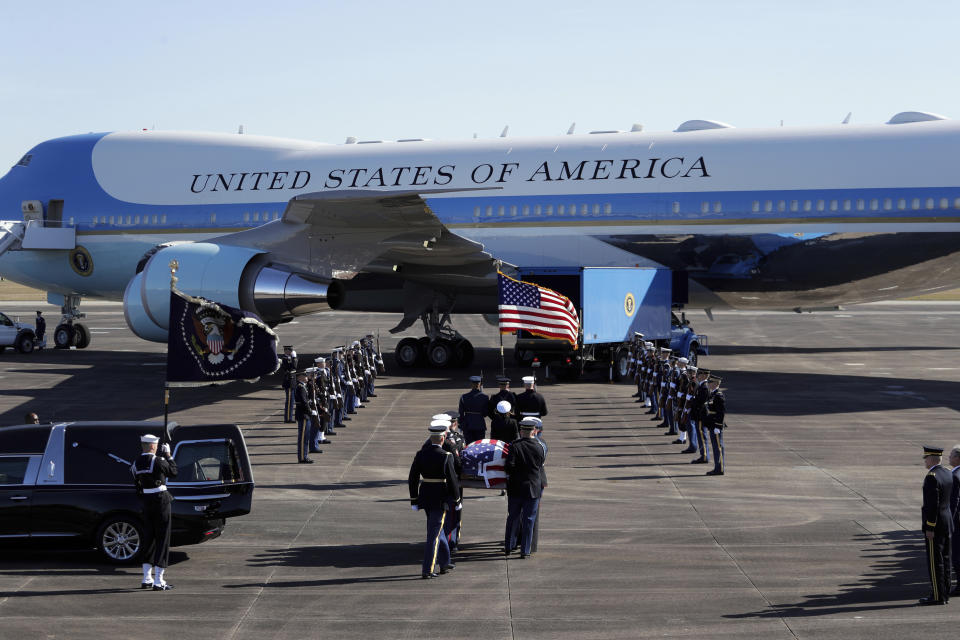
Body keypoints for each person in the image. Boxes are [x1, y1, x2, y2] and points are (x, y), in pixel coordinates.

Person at [408, 423, 461, 578]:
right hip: (440, 498)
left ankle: (444, 562)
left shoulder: (420, 454)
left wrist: (414, 499)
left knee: (437, 530)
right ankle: (428, 569)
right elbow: (452, 480)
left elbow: (413, 478)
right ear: (443, 438)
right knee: (434, 534)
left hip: (425, 496)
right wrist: (457, 500)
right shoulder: (446, 456)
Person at [130, 434, 178, 591]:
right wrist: (169, 456)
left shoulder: (135, 463)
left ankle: (146, 578)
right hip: (161, 501)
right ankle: (159, 580)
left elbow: (136, 485)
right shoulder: (159, 461)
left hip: (146, 502)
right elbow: (173, 472)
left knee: (148, 538)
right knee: (163, 538)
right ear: (152, 446)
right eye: (156, 445)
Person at [504, 420, 546, 559]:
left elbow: (509, 466)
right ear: (534, 431)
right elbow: (540, 465)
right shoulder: (540, 446)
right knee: (529, 520)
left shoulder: (514, 446)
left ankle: (509, 546)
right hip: (533, 487)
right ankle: (525, 550)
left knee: (513, 517)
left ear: (521, 431)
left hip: (516, 487)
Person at [920, 445, 954, 605]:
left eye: (925, 458)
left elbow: (932, 505)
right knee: (946, 559)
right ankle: (945, 592)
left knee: (935, 562)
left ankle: (937, 595)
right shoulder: (947, 473)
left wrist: (930, 526)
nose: (925, 461)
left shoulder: (932, 476)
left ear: (931, 458)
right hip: (947, 522)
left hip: (936, 525)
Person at [704, 375, 726, 476]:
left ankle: (720, 469)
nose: (709, 384)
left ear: (716, 384)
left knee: (718, 447)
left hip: (716, 424)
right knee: (715, 447)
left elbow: (721, 413)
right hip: (712, 424)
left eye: (711, 383)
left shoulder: (718, 396)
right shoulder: (712, 394)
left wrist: (718, 426)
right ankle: (717, 467)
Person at [459, 375, 489, 444]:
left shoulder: (464, 397)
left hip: (467, 424)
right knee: (479, 446)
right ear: (479, 384)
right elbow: (485, 414)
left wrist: (462, 425)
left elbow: (461, 413)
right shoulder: (485, 397)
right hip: (480, 425)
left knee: (469, 445)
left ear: (471, 384)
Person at [294, 371, 316, 463]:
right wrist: (310, 411)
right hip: (303, 414)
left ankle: (304, 456)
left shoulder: (303, 386)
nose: (307, 377)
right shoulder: (300, 387)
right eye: (305, 376)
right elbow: (304, 402)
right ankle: (302, 457)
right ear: (299, 377)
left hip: (304, 414)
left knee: (305, 437)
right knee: (303, 438)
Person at [948, 445, 960, 595]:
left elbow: (955, 501)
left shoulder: (957, 475)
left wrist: (949, 520)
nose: (949, 458)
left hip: (957, 520)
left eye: (951, 455)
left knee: (957, 553)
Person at [279, 345, 297, 423]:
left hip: (292, 381)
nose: (291, 351)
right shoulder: (285, 359)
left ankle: (289, 417)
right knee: (289, 401)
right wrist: (294, 358)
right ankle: (287, 418)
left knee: (292, 401)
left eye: (291, 350)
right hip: (289, 381)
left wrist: (294, 358)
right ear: (286, 351)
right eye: (289, 350)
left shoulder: (290, 358)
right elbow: (293, 366)